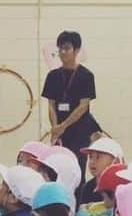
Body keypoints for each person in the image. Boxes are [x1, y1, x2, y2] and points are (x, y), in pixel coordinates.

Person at [42, 30, 101, 187]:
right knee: (55, 170)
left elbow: (83, 106)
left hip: (79, 132)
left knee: (77, 171)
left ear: (76, 50)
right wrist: (55, 127)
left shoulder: (86, 76)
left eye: (66, 48)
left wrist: (63, 125)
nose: (62, 52)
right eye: (60, 48)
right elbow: (51, 104)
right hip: (59, 132)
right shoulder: (53, 76)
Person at [78, 135, 124, 206]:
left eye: (98, 157)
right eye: (90, 157)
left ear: (115, 161)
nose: (92, 161)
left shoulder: (123, 186)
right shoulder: (88, 188)